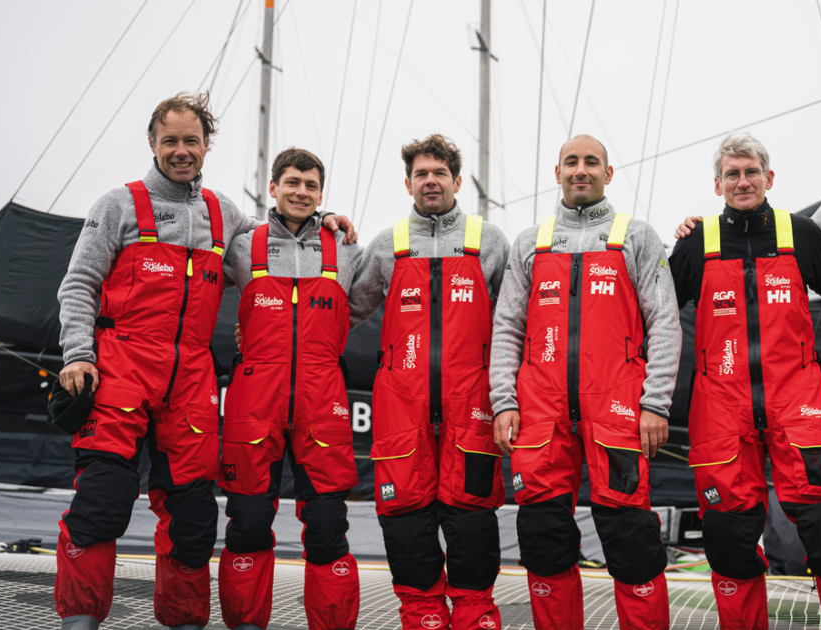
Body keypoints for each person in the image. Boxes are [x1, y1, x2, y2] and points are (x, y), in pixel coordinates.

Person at [54, 93, 353, 630]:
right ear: (152, 143)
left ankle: (184, 620)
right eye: (170, 140)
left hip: (191, 379)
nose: (181, 151)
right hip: (121, 368)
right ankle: (79, 620)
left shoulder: (224, 213)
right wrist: (78, 355)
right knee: (102, 501)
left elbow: (278, 234)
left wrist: (322, 217)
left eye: (191, 140)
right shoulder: (118, 205)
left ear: (206, 145)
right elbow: (79, 282)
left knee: (192, 519)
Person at [668, 132, 821, 630]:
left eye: (751, 172)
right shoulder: (696, 242)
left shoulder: (799, 234)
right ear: (717, 184)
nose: (742, 181)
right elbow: (651, 314)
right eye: (732, 174)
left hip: (798, 406)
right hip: (721, 411)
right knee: (728, 539)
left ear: (769, 177)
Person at [490, 134, 681, 630]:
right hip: (540, 415)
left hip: (618, 412)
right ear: (557, 173)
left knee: (631, 538)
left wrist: (656, 403)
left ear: (607, 173)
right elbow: (506, 327)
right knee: (543, 538)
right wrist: (503, 402)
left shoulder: (636, 236)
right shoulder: (530, 242)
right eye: (571, 162)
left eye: (591, 162)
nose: (581, 170)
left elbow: (665, 322)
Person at [348, 134, 510, 630]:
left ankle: (475, 617)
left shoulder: (489, 241)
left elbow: (516, 320)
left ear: (457, 181)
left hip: (473, 408)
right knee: (406, 522)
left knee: (472, 520)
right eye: (421, 173)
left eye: (440, 173)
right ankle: (422, 618)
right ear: (408, 184)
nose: (431, 181)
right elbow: (342, 311)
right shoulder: (388, 244)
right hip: (402, 409)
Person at [218, 148, 361, 630]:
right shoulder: (243, 246)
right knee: (247, 525)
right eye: (293, 182)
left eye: (311, 185)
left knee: (327, 529)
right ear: (273, 187)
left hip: (323, 403)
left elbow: (357, 308)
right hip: (254, 403)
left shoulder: (345, 248)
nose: (302, 192)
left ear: (321, 194)